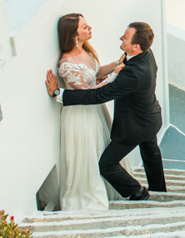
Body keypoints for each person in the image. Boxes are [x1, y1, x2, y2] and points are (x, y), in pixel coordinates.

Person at [46, 21, 167, 201]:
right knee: (151, 153)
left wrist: (58, 93)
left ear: (136, 46)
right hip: (151, 117)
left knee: (107, 165)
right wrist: (114, 70)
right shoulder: (146, 54)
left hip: (134, 126)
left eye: (125, 37)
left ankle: (138, 192)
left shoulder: (132, 73)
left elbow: (99, 95)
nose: (121, 38)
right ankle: (159, 190)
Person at [53, 13, 128, 211]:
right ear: (73, 34)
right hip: (81, 114)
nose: (89, 28)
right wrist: (114, 76)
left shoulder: (86, 51)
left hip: (96, 110)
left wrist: (116, 64)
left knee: (102, 148)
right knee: (88, 152)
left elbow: (95, 73)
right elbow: (87, 94)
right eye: (84, 26)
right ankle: (88, 194)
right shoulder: (66, 65)